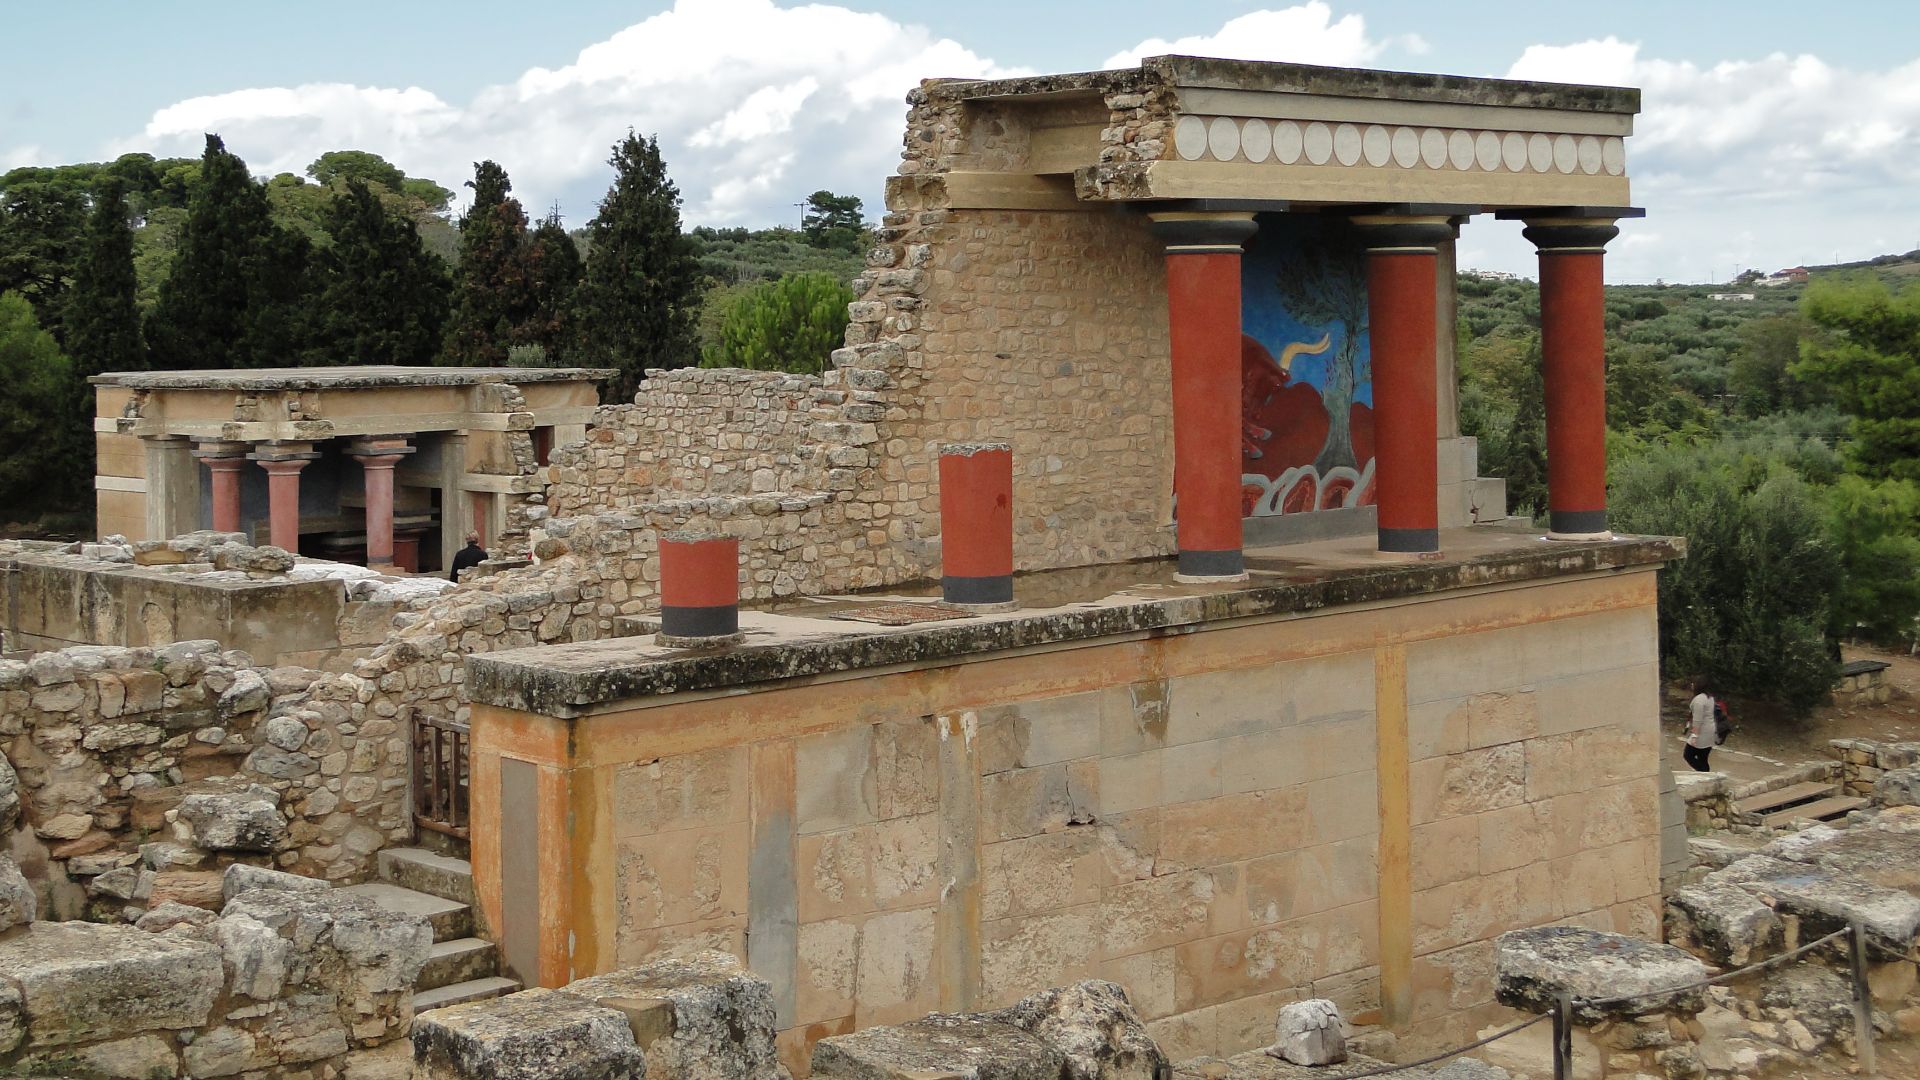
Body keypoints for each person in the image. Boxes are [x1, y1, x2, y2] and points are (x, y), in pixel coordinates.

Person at [1684, 679, 1718, 772]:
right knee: (1703, 758)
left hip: (1702, 732)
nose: (1692, 685)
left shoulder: (1699, 700)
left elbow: (1697, 720)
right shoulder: (1710, 697)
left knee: (1688, 755)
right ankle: (1705, 773)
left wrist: (1694, 736)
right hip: (1711, 730)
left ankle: (1703, 773)